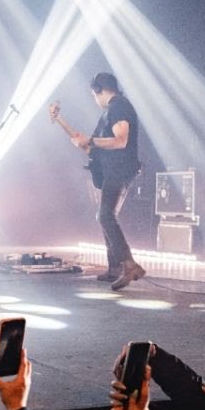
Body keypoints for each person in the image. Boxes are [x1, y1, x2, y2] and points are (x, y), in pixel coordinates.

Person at [67, 72, 144, 291]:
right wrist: (84, 143)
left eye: (94, 95)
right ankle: (114, 269)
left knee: (105, 215)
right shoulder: (111, 111)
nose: (95, 100)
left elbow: (121, 141)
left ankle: (129, 265)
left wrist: (90, 140)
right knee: (105, 215)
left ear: (98, 90)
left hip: (120, 169)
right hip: (113, 169)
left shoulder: (118, 106)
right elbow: (97, 147)